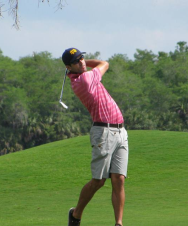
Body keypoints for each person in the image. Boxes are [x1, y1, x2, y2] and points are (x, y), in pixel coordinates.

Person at [62, 48, 129, 226]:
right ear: (69, 67)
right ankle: (75, 214)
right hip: (103, 132)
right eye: (77, 61)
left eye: (82, 58)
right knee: (98, 181)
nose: (82, 62)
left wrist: (81, 63)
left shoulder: (81, 76)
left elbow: (96, 66)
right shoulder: (84, 79)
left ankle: (119, 223)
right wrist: (90, 62)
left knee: (119, 179)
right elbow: (105, 64)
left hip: (121, 131)